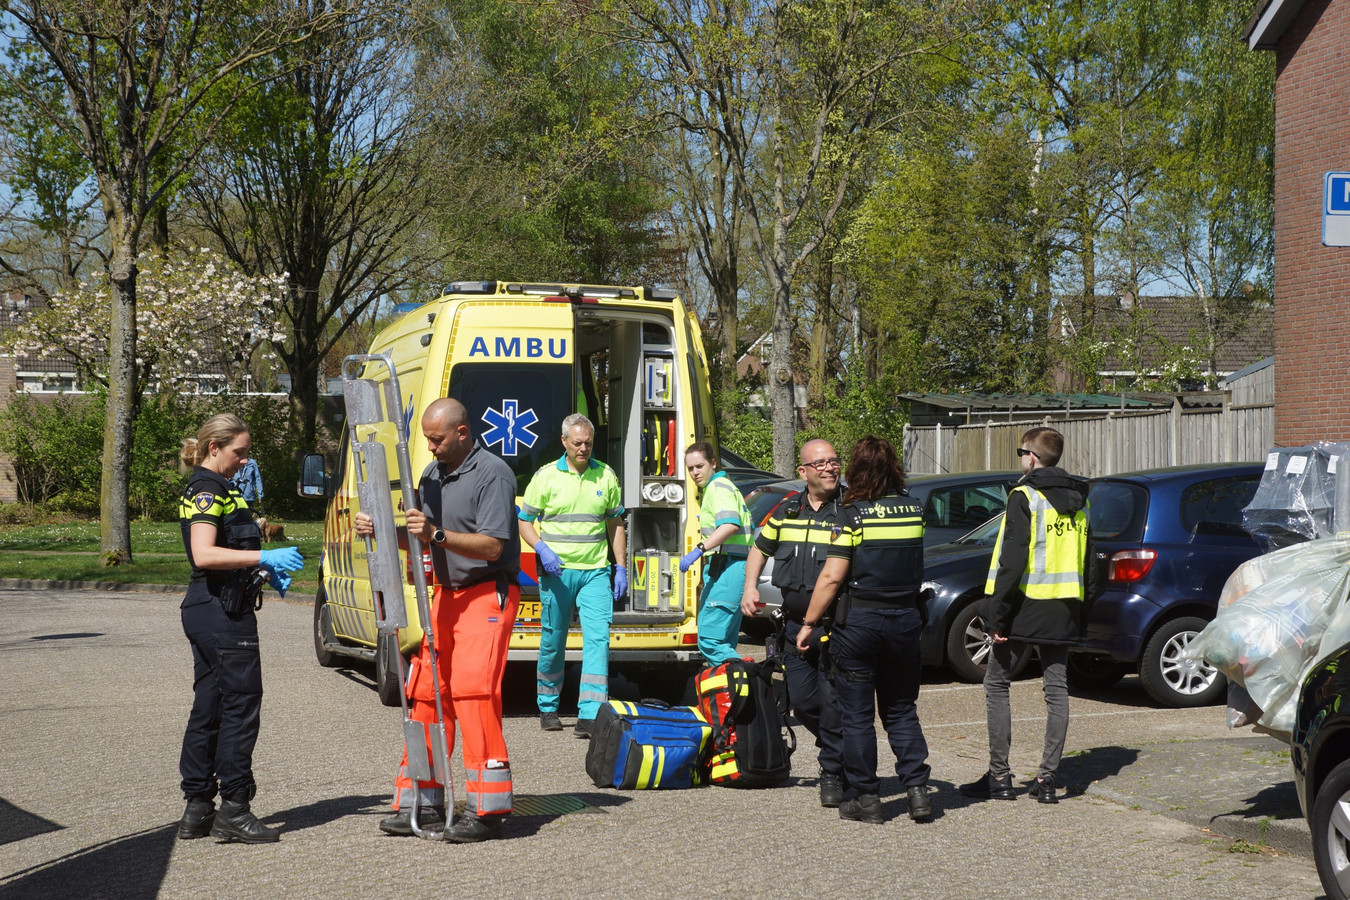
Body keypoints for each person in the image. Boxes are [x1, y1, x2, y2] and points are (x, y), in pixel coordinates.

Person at [354, 398, 521, 842]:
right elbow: (423, 540)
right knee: (425, 695)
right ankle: (422, 803)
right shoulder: (432, 475)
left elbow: (491, 547)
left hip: (487, 593)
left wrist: (436, 534)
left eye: (436, 438)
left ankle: (488, 810)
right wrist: (384, 532)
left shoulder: (493, 474)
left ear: (462, 433)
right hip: (446, 595)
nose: (429, 446)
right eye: (427, 437)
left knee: (473, 693)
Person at [176, 414, 304, 844]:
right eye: (239, 452)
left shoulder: (221, 490)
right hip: (221, 614)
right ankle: (234, 806)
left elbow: (229, 552)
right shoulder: (206, 489)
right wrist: (263, 558)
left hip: (217, 605)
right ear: (215, 448)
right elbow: (205, 555)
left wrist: (259, 574)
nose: (245, 461)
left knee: (211, 705)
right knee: (241, 707)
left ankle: (197, 808)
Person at [797, 436, 932, 824]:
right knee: (901, 709)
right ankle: (918, 793)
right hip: (905, 621)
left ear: (855, 469)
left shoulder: (853, 514)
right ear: (894, 467)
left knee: (856, 716)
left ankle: (867, 798)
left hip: (860, 624)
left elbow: (831, 578)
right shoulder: (914, 510)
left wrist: (808, 623)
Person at [960, 426, 1096, 805]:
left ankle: (999, 777)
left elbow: (1012, 560)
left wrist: (996, 615)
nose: (1020, 458)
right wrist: (1082, 612)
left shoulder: (1025, 496)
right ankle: (1048, 779)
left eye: (1022, 451)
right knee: (1056, 689)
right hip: (1065, 605)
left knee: (997, 683)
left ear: (1032, 457)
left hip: (1025, 604)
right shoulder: (1081, 500)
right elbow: (1089, 563)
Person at [741, 439, 849, 808]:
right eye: (820, 464)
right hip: (792, 625)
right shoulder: (788, 508)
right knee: (802, 703)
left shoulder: (850, 509)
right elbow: (759, 547)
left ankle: (833, 770)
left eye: (834, 461)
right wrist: (750, 586)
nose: (830, 468)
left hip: (836, 626)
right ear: (803, 472)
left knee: (833, 702)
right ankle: (841, 749)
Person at [519, 413, 627, 737]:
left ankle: (590, 715)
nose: (583, 449)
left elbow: (615, 524)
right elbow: (525, 521)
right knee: (554, 640)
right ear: (564, 442)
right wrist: (542, 550)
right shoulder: (546, 477)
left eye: (588, 443)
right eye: (577, 443)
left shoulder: (605, 476)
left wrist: (619, 566)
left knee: (599, 640)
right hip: (558, 572)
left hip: (595, 571)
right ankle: (548, 706)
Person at [680, 442, 753, 664]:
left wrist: (699, 549)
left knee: (710, 641)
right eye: (690, 468)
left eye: (699, 466)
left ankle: (743, 681)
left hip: (731, 567)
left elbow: (729, 525)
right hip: (728, 567)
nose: (695, 473)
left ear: (713, 463)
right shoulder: (719, 487)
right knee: (723, 642)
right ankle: (730, 695)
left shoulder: (718, 487)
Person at [231, 457, 265, 522]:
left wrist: (260, 494)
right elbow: (229, 476)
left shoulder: (252, 463)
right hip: (236, 493)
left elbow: (258, 478)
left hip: (248, 494)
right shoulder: (233, 461)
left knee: (247, 516)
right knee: (236, 515)